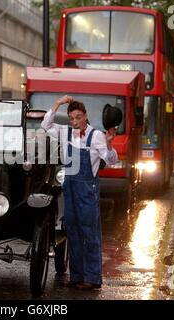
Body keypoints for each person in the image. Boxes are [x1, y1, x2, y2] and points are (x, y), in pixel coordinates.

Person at [41, 95, 118, 291]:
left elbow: (111, 161)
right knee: (73, 232)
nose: (75, 122)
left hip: (86, 191)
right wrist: (59, 103)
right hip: (70, 189)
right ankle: (76, 276)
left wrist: (109, 143)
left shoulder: (97, 136)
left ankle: (92, 278)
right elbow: (45, 124)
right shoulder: (64, 132)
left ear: (85, 116)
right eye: (72, 118)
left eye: (78, 117)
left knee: (89, 233)